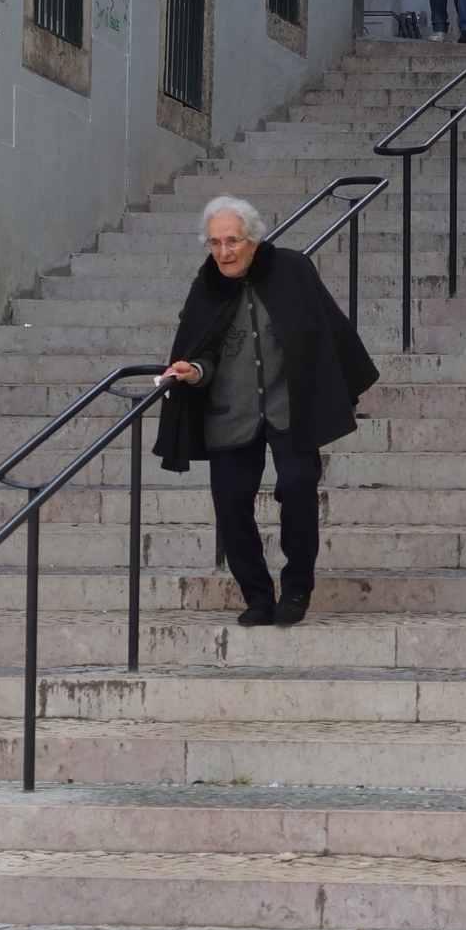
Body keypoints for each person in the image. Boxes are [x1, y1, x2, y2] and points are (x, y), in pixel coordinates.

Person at [153, 196, 379, 627]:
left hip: (288, 409)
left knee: (297, 485)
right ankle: (256, 595)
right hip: (230, 413)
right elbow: (204, 352)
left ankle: (296, 588)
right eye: (215, 243)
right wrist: (194, 370)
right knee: (231, 501)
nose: (224, 252)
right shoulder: (207, 286)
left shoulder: (291, 270)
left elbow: (322, 327)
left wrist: (332, 383)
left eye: (232, 240)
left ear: (253, 240)